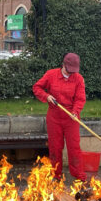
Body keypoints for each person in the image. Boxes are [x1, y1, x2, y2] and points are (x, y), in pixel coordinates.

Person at [33, 53, 86, 181]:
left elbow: (80, 98)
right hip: (54, 116)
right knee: (55, 147)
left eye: (74, 71)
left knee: (74, 147)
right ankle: (55, 175)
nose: (71, 74)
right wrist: (47, 96)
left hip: (71, 117)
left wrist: (75, 111)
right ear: (64, 65)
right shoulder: (51, 75)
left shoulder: (78, 79)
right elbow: (37, 87)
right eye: (69, 71)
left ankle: (79, 176)